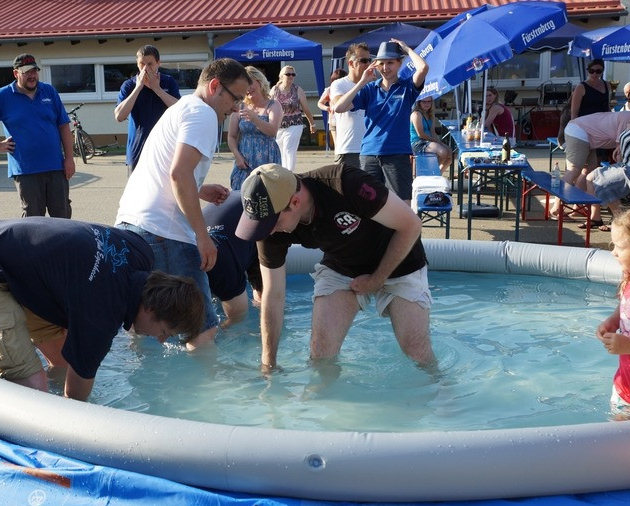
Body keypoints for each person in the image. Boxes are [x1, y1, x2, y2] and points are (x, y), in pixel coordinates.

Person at [0, 218, 204, 401]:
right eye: (165, 332)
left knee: (62, 365)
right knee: (33, 389)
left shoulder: (140, 253)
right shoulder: (102, 314)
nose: (160, 340)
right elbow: (75, 401)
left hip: (18, 263)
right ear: (149, 308)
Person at [235, 163, 436, 372]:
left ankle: (441, 396)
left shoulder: (345, 184)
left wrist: (377, 279)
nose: (268, 231)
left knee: (417, 352)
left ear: (295, 202)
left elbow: (411, 225)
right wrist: (269, 366)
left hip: (401, 262)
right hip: (343, 265)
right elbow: (272, 295)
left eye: (271, 223)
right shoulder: (269, 229)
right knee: (321, 353)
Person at [115, 58, 252, 348]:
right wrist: (202, 237)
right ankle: (210, 393)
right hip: (165, 233)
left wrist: (200, 189)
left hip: (132, 223)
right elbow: (179, 173)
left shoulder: (180, 108)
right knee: (201, 329)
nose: (237, 108)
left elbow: (169, 170)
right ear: (215, 86)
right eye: (236, 98)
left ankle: (146, 388)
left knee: (144, 323)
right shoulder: (203, 113)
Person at [0, 53, 75, 218]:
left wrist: (69, 158)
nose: (32, 76)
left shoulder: (49, 91)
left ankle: (62, 245)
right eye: (27, 72)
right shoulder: (3, 96)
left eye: (34, 71)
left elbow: (63, 125)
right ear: (16, 74)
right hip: (26, 170)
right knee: (33, 220)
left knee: (62, 216)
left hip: (56, 167)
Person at [334, 39, 429, 202]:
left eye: (390, 63)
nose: (385, 68)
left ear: (399, 63)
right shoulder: (369, 89)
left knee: (402, 203)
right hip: (369, 154)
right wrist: (362, 83)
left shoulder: (407, 87)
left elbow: (423, 68)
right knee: (368, 205)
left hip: (397, 154)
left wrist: (407, 49)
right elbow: (339, 107)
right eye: (381, 63)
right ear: (376, 65)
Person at [114, 45, 181, 174]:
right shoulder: (129, 85)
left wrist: (157, 89)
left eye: (150, 64)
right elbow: (119, 116)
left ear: (158, 63)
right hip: (138, 150)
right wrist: (138, 88)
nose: (145, 68)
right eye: (141, 64)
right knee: (136, 193)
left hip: (165, 150)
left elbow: (179, 110)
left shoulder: (168, 82)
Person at [204, 191, 262, 325]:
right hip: (233, 207)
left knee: (259, 300)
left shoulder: (222, 268)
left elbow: (238, 315)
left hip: (254, 216)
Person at [596, 208, 630, 419]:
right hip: (623, 387)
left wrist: (627, 346)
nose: (613, 252)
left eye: (620, 246)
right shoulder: (628, 279)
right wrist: (613, 320)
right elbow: (625, 305)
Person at [228, 66, 283, 190]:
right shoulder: (240, 106)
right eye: (244, 86)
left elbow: (272, 131)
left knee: (267, 194)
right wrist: (237, 156)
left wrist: (254, 118)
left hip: (267, 157)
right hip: (245, 158)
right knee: (240, 192)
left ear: (260, 81)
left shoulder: (273, 105)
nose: (247, 89)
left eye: (250, 83)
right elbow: (231, 136)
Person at [561, 111, 630, 196]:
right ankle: (557, 205)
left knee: (588, 169)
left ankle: (578, 202)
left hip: (587, 134)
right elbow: (619, 152)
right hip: (578, 130)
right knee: (573, 170)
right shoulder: (627, 118)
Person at [581, 125, 630, 231]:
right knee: (591, 176)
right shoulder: (627, 120)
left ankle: (622, 223)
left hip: (627, 169)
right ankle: (595, 217)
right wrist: (620, 147)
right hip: (624, 165)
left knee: (605, 184)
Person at [330, 44, 370, 169]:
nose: (368, 64)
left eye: (370, 60)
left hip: (370, 149)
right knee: (346, 188)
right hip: (348, 149)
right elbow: (338, 105)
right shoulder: (339, 84)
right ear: (351, 63)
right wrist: (361, 84)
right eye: (363, 61)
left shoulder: (373, 85)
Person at [270, 65, 316, 171]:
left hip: (295, 124)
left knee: (289, 149)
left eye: (293, 74)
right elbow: (269, 107)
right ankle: (282, 174)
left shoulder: (298, 90)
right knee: (280, 151)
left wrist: (312, 124)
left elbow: (306, 109)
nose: (291, 76)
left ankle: (289, 173)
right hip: (278, 126)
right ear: (281, 76)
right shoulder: (274, 90)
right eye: (288, 74)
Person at [410, 96, 452, 174]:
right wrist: (434, 141)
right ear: (419, 103)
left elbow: (432, 131)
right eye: (424, 102)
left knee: (450, 153)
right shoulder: (416, 114)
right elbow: (420, 134)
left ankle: (437, 174)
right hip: (418, 142)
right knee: (443, 152)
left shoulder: (430, 114)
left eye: (429, 101)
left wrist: (438, 141)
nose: (427, 104)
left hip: (428, 141)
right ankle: (429, 173)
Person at [317, 68, 347, 149]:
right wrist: (327, 108)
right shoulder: (329, 90)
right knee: (338, 144)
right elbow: (320, 103)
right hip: (334, 120)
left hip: (347, 119)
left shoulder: (349, 88)